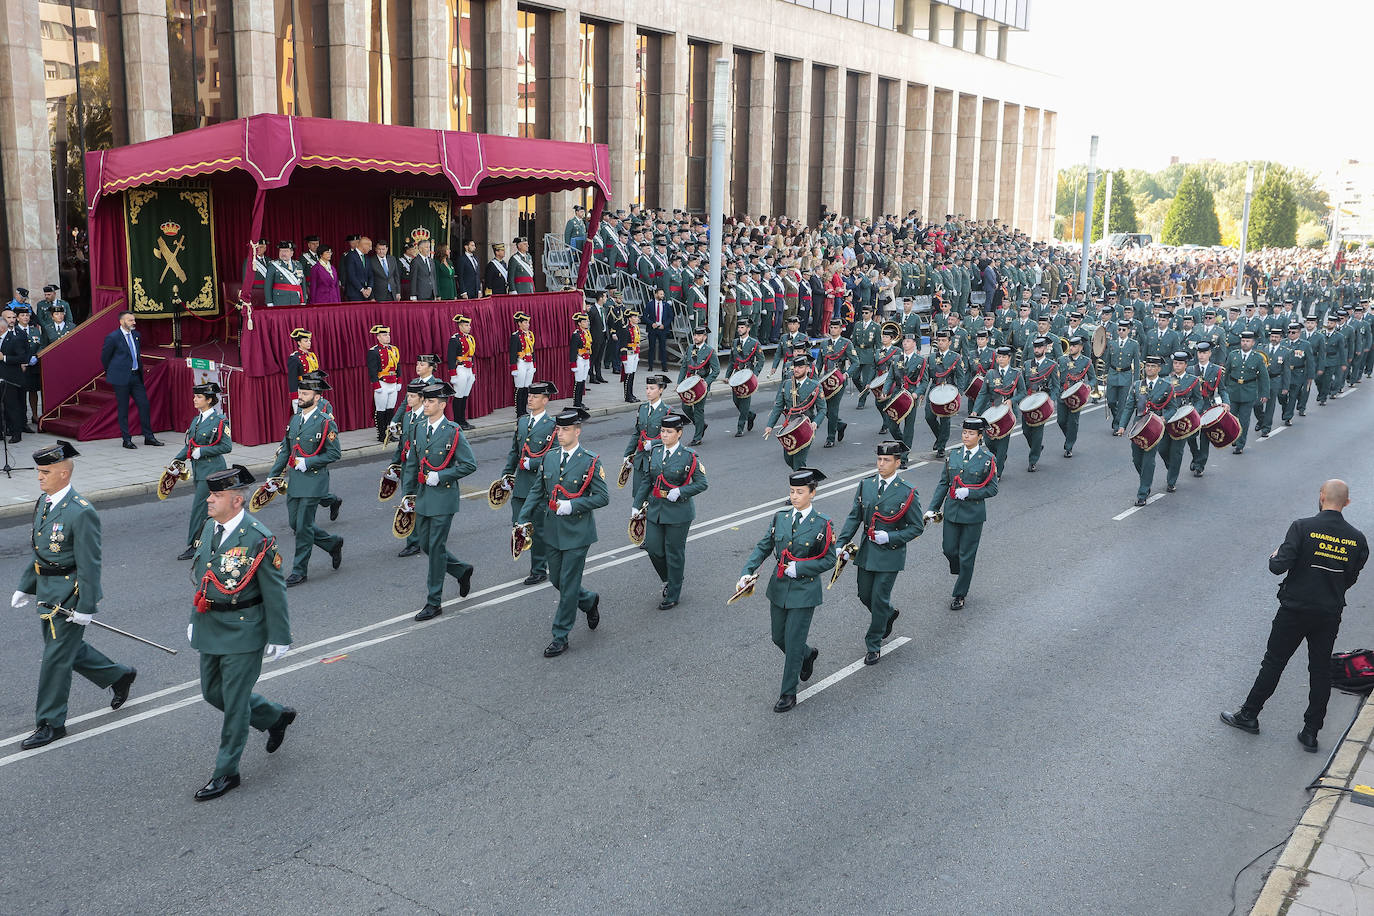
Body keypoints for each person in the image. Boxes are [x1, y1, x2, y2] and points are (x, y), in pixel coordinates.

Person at [1222, 479, 1369, 752]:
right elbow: (1351, 576)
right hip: (1328, 612)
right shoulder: (1357, 539)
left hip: (1294, 608)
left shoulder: (1302, 527)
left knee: (1274, 662)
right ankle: (1311, 731)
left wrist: (1275, 555)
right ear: (1347, 503)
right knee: (1320, 669)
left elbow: (1278, 567)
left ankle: (1249, 715)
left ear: (1321, 497)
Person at [11, 440, 137, 750]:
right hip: (46, 591)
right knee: (68, 650)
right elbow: (41, 552)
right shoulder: (44, 502)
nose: (39, 477)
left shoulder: (81, 513)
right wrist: (25, 586)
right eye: (39, 472)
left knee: (55, 659)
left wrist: (87, 605)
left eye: (45, 472)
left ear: (64, 474)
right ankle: (119, 676)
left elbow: (90, 563)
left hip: (69, 596)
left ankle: (51, 723)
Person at [186, 464, 296, 800]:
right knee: (212, 693)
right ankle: (275, 717)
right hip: (210, 624)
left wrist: (280, 635)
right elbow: (204, 578)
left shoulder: (257, 537)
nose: (209, 500)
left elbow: (274, 589)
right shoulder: (209, 529)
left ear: (236, 501)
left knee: (234, 704)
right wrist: (194, 618)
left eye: (217, 495)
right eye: (210, 494)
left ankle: (226, 771)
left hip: (244, 629)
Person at [737, 467, 837, 713]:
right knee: (778, 637)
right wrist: (747, 571)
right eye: (792, 491)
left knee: (792, 642)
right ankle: (807, 654)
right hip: (779, 587)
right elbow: (763, 546)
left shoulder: (822, 524)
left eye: (800, 492)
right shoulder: (780, 517)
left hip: (804, 591)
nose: (794, 496)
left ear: (812, 493)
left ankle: (788, 693)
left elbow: (829, 560)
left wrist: (801, 569)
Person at [516, 407, 609, 657]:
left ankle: (560, 635)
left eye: (566, 429)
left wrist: (574, 505)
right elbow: (537, 490)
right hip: (553, 530)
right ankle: (589, 600)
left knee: (567, 584)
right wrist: (522, 518)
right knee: (557, 579)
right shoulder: (549, 457)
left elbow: (602, 497)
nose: (560, 433)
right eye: (558, 429)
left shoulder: (590, 460)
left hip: (578, 532)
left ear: (577, 431)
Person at [837, 442, 924, 665]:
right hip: (867, 551)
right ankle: (887, 613)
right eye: (879, 459)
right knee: (864, 594)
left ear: (897, 462)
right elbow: (854, 517)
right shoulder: (865, 485)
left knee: (877, 598)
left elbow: (916, 527)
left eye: (886, 460)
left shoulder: (907, 492)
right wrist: (841, 542)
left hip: (890, 554)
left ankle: (873, 644)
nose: (881, 464)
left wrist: (891, 537)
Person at [402, 380, 478, 621]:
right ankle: (461, 569)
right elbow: (412, 464)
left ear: (443, 404)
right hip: (423, 497)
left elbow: (469, 464)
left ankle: (434, 602)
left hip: (444, 499)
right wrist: (408, 495)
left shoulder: (453, 431)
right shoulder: (417, 428)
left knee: (435, 549)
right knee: (425, 544)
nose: (425, 404)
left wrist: (442, 475)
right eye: (425, 400)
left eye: (431, 401)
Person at [267, 372, 344, 586]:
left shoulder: (325, 422)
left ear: (317, 397)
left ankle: (299, 570)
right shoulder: (295, 419)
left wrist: (308, 463)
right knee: (296, 524)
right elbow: (285, 451)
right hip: (295, 482)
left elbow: (334, 454)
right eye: (300, 392)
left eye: (305, 393)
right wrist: (273, 476)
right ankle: (332, 543)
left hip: (313, 482)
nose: (300, 397)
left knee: (303, 527)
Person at [632, 411, 709, 610]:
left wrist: (681, 491)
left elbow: (702, 483)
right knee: (653, 548)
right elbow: (648, 480)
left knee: (674, 552)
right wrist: (636, 505)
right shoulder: (656, 452)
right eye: (662, 431)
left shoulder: (689, 456)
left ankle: (673, 593)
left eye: (668, 432)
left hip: (678, 513)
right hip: (656, 508)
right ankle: (672, 577)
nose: (664, 435)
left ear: (679, 433)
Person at [925, 416, 998, 610]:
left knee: (967, 555)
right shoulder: (954, 455)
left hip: (973, 515)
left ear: (979, 436)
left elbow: (992, 489)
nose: (966, 436)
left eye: (971, 433)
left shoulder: (987, 460)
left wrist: (970, 493)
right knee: (949, 549)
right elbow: (943, 483)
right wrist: (933, 508)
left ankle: (960, 594)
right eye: (965, 432)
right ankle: (961, 570)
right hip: (952, 511)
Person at [501, 380, 558, 584]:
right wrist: (507, 474)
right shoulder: (523, 422)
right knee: (520, 525)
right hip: (520, 484)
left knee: (538, 529)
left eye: (535, 397)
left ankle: (539, 569)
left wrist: (533, 463)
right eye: (529, 396)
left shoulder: (552, 426)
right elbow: (514, 452)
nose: (530, 400)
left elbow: (555, 456)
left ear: (545, 400)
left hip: (539, 485)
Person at [172, 381, 234, 561]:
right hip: (199, 471)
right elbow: (190, 445)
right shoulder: (196, 420)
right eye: (195, 396)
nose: (194, 399)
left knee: (199, 508)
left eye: (198, 397)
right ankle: (222, 538)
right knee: (215, 508)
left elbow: (226, 446)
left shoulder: (220, 421)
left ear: (209, 400)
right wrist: (177, 460)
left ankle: (193, 544)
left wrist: (203, 451)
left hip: (213, 470)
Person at [99, 310, 164, 449]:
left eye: (134, 320)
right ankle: (126, 439)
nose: (134, 322)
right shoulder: (113, 337)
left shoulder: (136, 335)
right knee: (123, 408)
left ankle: (149, 437)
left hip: (136, 376)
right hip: (121, 378)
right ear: (122, 322)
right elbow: (105, 357)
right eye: (130, 320)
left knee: (144, 405)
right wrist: (113, 372)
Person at [388, 378, 429, 558]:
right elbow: (402, 444)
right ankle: (417, 539)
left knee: (414, 503)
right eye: (408, 396)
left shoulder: (426, 418)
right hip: (407, 467)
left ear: (421, 398)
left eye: (412, 396)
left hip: (421, 470)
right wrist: (394, 464)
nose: (408, 399)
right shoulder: (407, 416)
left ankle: (414, 542)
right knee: (409, 503)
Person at [971, 346, 1023, 477]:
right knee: (989, 440)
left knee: (1002, 442)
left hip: (1007, 413)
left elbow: (1022, 392)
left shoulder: (1016, 373)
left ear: (1009, 358)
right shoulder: (991, 373)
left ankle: (997, 472)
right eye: (999, 357)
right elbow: (983, 394)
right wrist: (975, 411)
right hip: (992, 410)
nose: (1001, 359)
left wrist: (1013, 400)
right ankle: (999, 457)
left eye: (1003, 357)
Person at [1129, 355, 1172, 507]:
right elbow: (1129, 407)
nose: (1150, 369)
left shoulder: (1166, 386)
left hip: (1155, 427)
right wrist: (1121, 425)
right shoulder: (1137, 385)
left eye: (1153, 367)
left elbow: (1171, 407)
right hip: (1138, 427)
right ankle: (1145, 480)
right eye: (1148, 366)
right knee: (1136, 459)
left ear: (1159, 369)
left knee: (1148, 459)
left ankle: (1143, 492)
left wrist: (1165, 418)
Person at [764, 354, 821, 470]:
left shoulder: (814, 386)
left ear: (807, 369)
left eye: (800, 367)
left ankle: (800, 485)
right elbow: (778, 407)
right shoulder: (787, 384)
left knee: (799, 461)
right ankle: (806, 480)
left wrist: (816, 423)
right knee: (788, 458)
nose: (796, 369)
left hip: (805, 426)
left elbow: (823, 409)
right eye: (795, 367)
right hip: (789, 428)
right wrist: (770, 425)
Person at [622, 374, 669, 498]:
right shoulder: (642, 408)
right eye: (647, 388)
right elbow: (637, 433)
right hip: (640, 460)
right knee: (638, 495)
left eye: (652, 388)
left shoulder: (667, 411)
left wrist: (652, 444)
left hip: (656, 460)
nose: (648, 391)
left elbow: (670, 438)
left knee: (653, 496)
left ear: (661, 390)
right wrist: (627, 454)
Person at [1224, 330, 1270, 454]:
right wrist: (1223, 389)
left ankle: (1240, 444)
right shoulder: (1233, 355)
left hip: (1248, 392)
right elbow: (1226, 373)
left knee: (1244, 419)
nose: (1245, 343)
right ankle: (1234, 437)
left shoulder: (1258, 358)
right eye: (1243, 341)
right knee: (1232, 418)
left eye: (1247, 341)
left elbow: (1264, 377)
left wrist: (1264, 394)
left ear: (1253, 343)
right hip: (1233, 391)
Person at [1020, 335, 1058, 472]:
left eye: (1040, 347)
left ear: (1045, 348)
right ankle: (1036, 447)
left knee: (1037, 431)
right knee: (1025, 430)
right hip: (1028, 400)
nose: (1037, 349)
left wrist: (1052, 399)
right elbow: (1023, 384)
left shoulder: (1051, 365)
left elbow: (1056, 386)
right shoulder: (1027, 364)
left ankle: (1033, 460)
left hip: (1042, 402)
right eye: (1035, 347)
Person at [677, 324, 719, 446]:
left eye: (699, 335)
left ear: (704, 337)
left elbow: (716, 370)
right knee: (685, 407)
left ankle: (697, 437)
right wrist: (679, 383)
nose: (695, 337)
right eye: (695, 335)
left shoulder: (710, 351)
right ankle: (700, 425)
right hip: (689, 383)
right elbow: (684, 366)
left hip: (701, 384)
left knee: (698, 410)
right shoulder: (690, 348)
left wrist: (707, 381)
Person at [924, 329, 963, 457]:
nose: (941, 343)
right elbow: (927, 377)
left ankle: (941, 447)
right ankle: (940, 437)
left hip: (948, 390)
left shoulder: (955, 357)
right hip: (934, 388)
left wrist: (959, 392)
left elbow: (960, 376)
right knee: (929, 416)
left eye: (943, 341)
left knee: (945, 419)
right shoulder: (931, 357)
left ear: (949, 342)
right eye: (939, 340)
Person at [1056, 334, 1095, 458]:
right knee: (1061, 420)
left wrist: (1089, 386)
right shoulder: (1062, 360)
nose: (1071, 348)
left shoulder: (1086, 361)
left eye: (1074, 346)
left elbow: (1093, 379)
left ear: (1080, 347)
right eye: (1071, 345)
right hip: (1063, 394)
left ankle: (1069, 446)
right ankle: (1070, 437)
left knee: (1073, 422)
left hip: (1077, 397)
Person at [1104, 319, 1142, 435]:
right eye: (1119, 329)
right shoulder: (1112, 343)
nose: (1121, 332)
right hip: (1113, 374)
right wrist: (1105, 376)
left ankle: (1118, 425)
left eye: (1123, 330)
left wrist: (1136, 381)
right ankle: (1117, 419)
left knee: (1122, 403)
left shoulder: (1133, 344)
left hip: (1125, 375)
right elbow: (1107, 361)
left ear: (1128, 331)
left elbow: (1136, 362)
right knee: (1111, 401)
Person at [366, 325, 402, 442]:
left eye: (388, 334)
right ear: (378, 337)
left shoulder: (394, 349)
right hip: (382, 383)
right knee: (381, 410)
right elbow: (372, 370)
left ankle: (390, 434)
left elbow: (398, 366)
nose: (388, 337)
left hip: (393, 382)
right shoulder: (374, 351)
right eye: (384, 335)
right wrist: (376, 385)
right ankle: (382, 435)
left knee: (390, 409)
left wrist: (399, 380)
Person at [727, 317, 762, 437]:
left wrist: (755, 375)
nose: (739, 330)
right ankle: (750, 415)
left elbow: (761, 360)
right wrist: (727, 376)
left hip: (748, 376)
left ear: (748, 329)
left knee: (745, 402)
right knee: (736, 400)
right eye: (739, 327)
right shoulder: (735, 342)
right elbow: (731, 361)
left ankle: (740, 428)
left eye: (742, 327)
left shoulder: (754, 343)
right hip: (737, 375)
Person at [446, 313, 478, 431]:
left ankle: (463, 420)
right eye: (466, 325)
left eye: (469, 325)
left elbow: (472, 356)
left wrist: (473, 371)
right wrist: (453, 374)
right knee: (458, 396)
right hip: (460, 368)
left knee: (465, 396)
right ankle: (457, 421)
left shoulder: (470, 339)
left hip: (468, 369)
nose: (469, 327)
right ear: (460, 326)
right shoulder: (455, 339)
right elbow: (450, 358)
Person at [15, 306, 44, 426]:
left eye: (27, 315)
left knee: (33, 391)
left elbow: (41, 344)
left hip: (33, 366)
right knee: (20, 393)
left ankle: (35, 415)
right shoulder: (14, 330)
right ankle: (21, 417)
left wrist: (36, 356)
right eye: (22, 315)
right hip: (20, 366)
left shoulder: (35, 330)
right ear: (17, 318)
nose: (25, 317)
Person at [0, 306, 23, 442]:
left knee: (12, 406)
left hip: (10, 379)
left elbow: (22, 357)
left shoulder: (14, 340)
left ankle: (16, 433)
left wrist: (5, 358)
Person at [509, 311, 536, 417]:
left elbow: (533, 350)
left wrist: (534, 364)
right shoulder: (516, 336)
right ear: (519, 324)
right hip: (521, 362)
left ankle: (524, 410)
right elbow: (512, 353)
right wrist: (514, 368)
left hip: (529, 362)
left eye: (528, 323)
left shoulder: (530, 335)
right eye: (525, 323)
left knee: (526, 388)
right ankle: (519, 411)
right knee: (520, 388)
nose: (527, 325)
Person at [263, 241, 306, 306]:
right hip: (280, 300)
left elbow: (302, 284)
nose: (283, 253)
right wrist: (269, 302)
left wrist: (303, 300)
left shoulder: (298, 264)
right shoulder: (273, 265)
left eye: (286, 251)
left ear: (292, 253)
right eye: (281, 251)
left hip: (296, 299)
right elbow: (268, 285)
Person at [285, 327, 319, 410]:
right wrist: (295, 397)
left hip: (313, 389)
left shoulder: (311, 356)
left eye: (309, 340)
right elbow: (292, 379)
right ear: (299, 343)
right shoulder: (294, 358)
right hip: (302, 391)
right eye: (306, 341)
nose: (309, 343)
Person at [644, 288, 673, 372]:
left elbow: (670, 316)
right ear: (656, 294)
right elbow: (644, 316)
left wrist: (664, 325)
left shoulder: (666, 305)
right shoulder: (650, 304)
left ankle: (664, 366)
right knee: (651, 347)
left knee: (663, 348)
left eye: (663, 294)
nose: (662, 296)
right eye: (660, 294)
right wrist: (651, 323)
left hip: (662, 329)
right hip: (652, 329)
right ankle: (650, 366)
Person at [619, 308, 644, 403]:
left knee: (632, 375)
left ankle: (631, 393)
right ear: (630, 318)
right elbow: (623, 345)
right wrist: (624, 358)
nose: (637, 318)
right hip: (628, 354)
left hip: (635, 354)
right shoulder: (626, 329)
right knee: (628, 375)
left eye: (637, 316)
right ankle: (627, 395)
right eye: (634, 316)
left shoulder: (636, 328)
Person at [569, 310, 592, 409]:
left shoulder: (587, 333)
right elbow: (573, 350)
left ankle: (580, 401)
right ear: (579, 323)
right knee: (578, 381)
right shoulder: (576, 334)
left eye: (587, 321)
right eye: (584, 321)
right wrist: (573, 364)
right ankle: (576, 402)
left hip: (586, 358)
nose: (586, 323)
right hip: (579, 358)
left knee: (582, 380)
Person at [342, 236, 373, 301]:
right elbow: (351, 276)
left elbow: (371, 274)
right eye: (370, 246)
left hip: (367, 294)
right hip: (355, 294)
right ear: (363, 245)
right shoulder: (350, 256)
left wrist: (369, 288)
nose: (371, 249)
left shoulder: (367, 258)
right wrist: (362, 290)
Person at [241, 238, 269, 304]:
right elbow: (246, 280)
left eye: (261, 247)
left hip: (269, 291)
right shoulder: (249, 261)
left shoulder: (269, 260)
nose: (258, 249)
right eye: (257, 247)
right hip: (256, 292)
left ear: (265, 248)